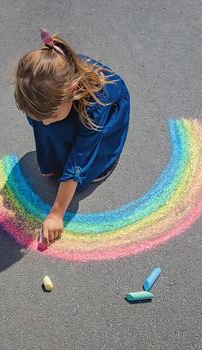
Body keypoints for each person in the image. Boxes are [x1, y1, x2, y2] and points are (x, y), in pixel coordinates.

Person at [13, 28, 131, 247]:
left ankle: (104, 160)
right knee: (52, 128)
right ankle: (56, 143)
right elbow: (46, 117)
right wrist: (45, 119)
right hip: (68, 103)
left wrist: (57, 213)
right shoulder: (42, 91)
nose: (44, 122)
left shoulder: (96, 108)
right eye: (37, 116)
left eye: (50, 115)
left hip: (103, 113)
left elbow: (79, 157)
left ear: (73, 90)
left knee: (84, 172)